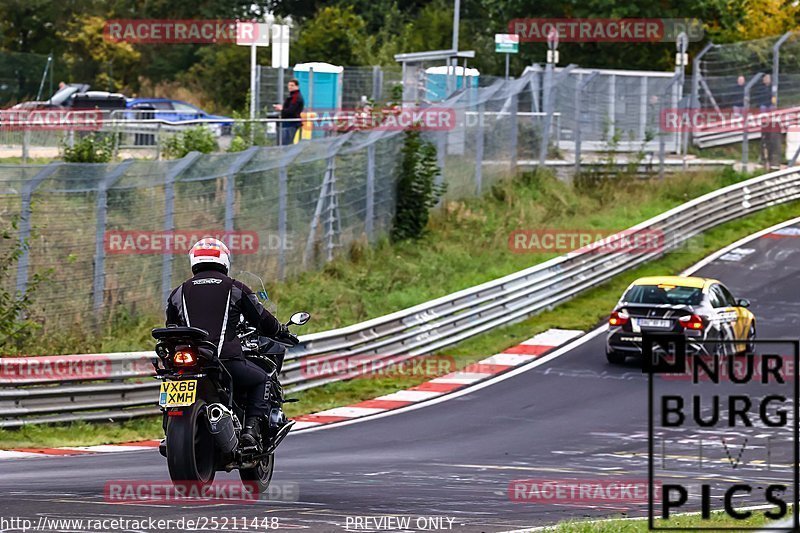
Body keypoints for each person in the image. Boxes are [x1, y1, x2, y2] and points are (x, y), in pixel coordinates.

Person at [165, 237, 296, 449]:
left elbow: (171, 326)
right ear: (224, 260)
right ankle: (250, 433)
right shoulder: (235, 288)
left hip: (188, 361)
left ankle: (170, 433)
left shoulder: (177, 292)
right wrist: (280, 330)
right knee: (262, 379)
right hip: (225, 359)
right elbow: (261, 319)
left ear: (194, 261)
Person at [273, 78, 304, 146]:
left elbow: (291, 111)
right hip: (288, 122)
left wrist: (282, 109)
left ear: (297, 86)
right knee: (284, 142)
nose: (290, 87)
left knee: (286, 143)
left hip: (291, 123)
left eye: (292, 85)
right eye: (289, 85)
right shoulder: (293, 96)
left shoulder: (296, 97)